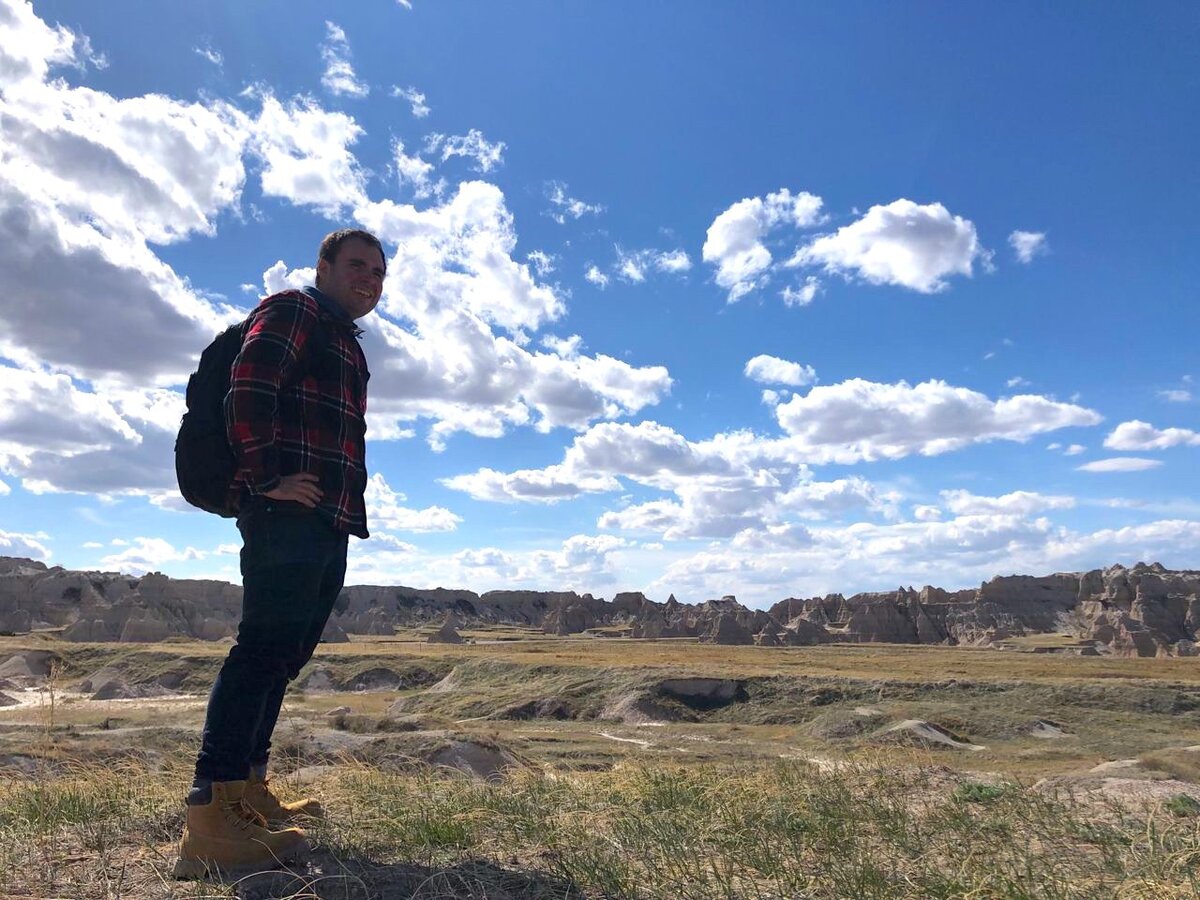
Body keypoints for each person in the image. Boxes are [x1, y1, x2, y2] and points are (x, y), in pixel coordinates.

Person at [175, 229, 385, 877]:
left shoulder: (343, 338)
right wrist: (266, 478)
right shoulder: (295, 310)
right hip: (286, 511)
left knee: (283, 658)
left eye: (380, 272)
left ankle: (248, 790)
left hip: (327, 517)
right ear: (323, 267)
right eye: (357, 266)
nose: (371, 279)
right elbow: (250, 385)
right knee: (261, 650)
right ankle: (210, 816)